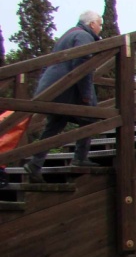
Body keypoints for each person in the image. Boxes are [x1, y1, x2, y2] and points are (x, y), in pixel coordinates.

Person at [22, 11, 103, 182]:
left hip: (52, 88)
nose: (101, 28)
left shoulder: (69, 34)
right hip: (65, 87)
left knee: (54, 125)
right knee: (90, 118)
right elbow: (83, 67)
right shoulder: (83, 36)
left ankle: (35, 164)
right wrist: (87, 96)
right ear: (92, 24)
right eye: (100, 24)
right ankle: (80, 158)